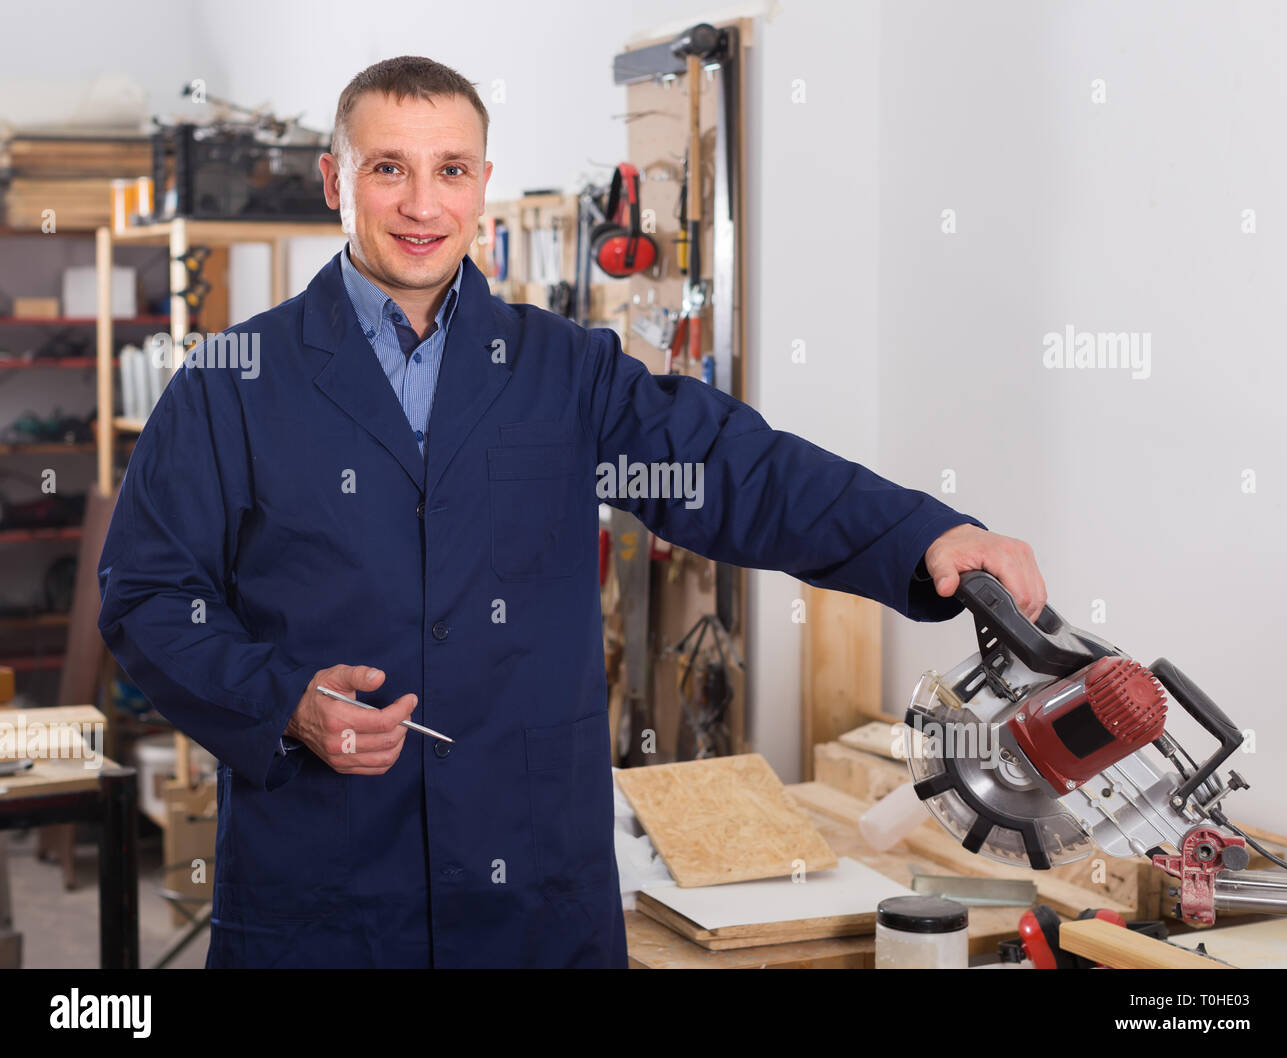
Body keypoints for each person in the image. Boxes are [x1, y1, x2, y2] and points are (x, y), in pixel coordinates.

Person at [97, 56, 1047, 968]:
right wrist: (283, 704)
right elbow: (146, 596)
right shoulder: (231, 385)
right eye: (388, 168)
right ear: (333, 180)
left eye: (451, 170)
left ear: (483, 183)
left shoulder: (564, 370)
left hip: (531, 890)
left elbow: (732, 468)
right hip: (324, 885)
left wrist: (925, 534)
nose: (424, 205)